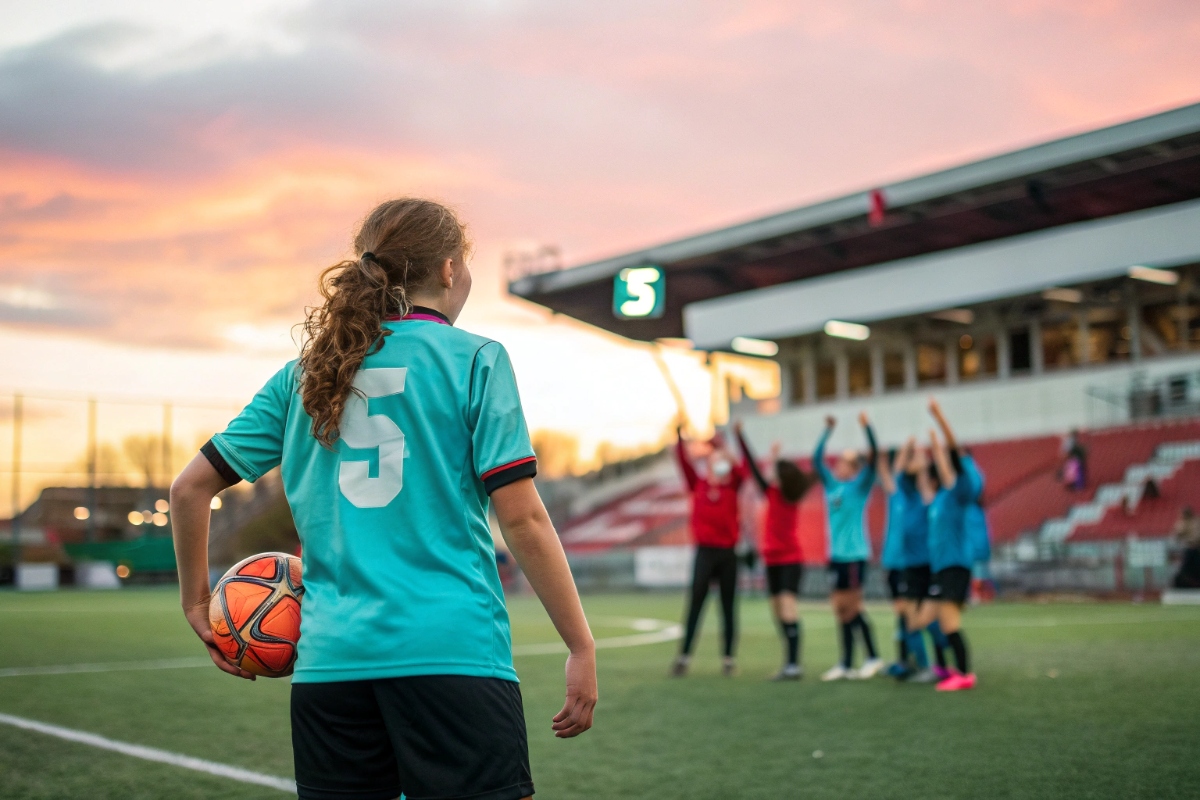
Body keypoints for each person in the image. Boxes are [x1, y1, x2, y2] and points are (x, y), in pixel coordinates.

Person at [170, 199, 596, 800]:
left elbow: (189, 488)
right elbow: (523, 519)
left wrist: (196, 601)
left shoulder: (303, 375)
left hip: (329, 667)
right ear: (449, 269)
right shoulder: (477, 359)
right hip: (451, 652)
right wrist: (580, 645)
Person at [735, 422, 814, 680]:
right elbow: (755, 467)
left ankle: (794, 664)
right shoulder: (771, 492)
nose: (772, 476)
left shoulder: (788, 497)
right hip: (771, 560)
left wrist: (772, 455)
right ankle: (789, 661)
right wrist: (743, 438)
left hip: (790, 559)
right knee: (777, 610)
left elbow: (761, 469)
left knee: (788, 607)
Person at [671, 425, 747, 677]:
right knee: (695, 604)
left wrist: (725, 447)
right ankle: (684, 657)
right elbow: (683, 462)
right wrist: (679, 437)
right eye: (716, 460)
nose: (720, 464)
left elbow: (743, 470)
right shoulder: (699, 484)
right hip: (704, 553)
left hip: (728, 553)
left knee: (728, 606)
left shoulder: (733, 485)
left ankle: (728, 659)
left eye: (722, 460)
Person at [918, 398, 983, 692]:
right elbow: (945, 464)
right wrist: (934, 444)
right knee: (930, 620)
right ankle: (945, 666)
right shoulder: (945, 494)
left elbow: (954, 450)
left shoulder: (962, 490)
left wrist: (939, 418)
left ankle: (964, 674)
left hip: (955, 565)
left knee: (949, 622)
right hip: (942, 567)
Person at [813, 412, 884, 681]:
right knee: (840, 610)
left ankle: (873, 657)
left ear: (854, 469)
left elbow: (874, 457)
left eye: (846, 463)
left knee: (854, 608)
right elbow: (816, 460)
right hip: (836, 556)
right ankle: (845, 662)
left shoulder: (859, 488)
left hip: (854, 556)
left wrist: (867, 428)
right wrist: (827, 431)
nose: (840, 465)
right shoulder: (831, 486)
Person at [877, 439, 933, 680]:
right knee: (904, 614)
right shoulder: (897, 494)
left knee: (916, 616)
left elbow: (916, 474)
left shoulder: (921, 496)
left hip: (914, 565)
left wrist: (915, 452)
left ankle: (922, 663)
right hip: (896, 564)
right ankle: (907, 660)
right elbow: (889, 472)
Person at [1171, 506, 1200, 589]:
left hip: (1195, 549)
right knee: (1185, 569)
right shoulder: (1182, 523)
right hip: (1188, 548)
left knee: (1195, 568)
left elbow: (1196, 536)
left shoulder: (1196, 522)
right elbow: (1176, 535)